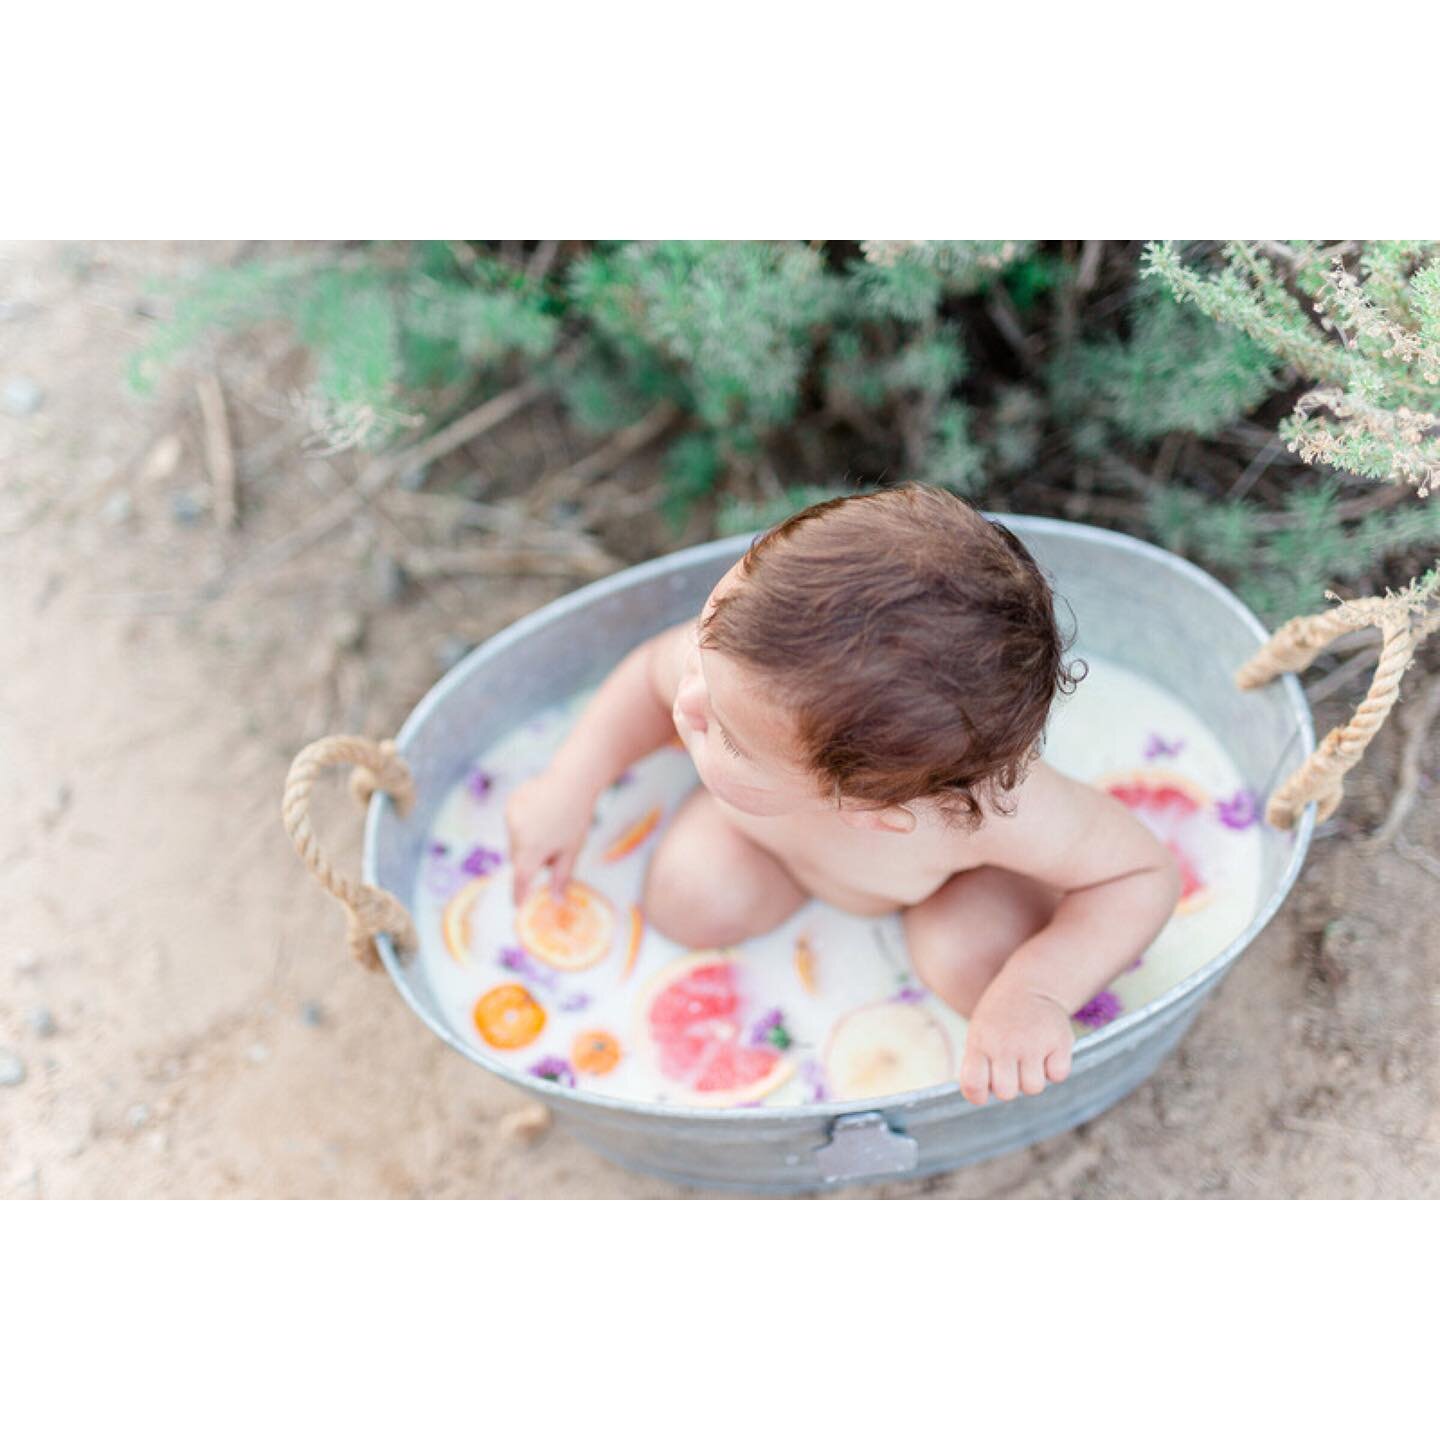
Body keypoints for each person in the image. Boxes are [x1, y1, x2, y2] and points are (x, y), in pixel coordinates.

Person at [504, 483, 1182, 1106]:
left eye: (729, 736)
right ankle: (773, 854)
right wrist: (571, 784)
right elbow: (651, 679)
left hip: (946, 887)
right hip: (763, 842)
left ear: (874, 812)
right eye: (702, 667)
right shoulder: (746, 659)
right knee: (689, 902)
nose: (686, 704)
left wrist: (1036, 990)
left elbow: (1139, 873)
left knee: (976, 965)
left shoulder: (987, 814)